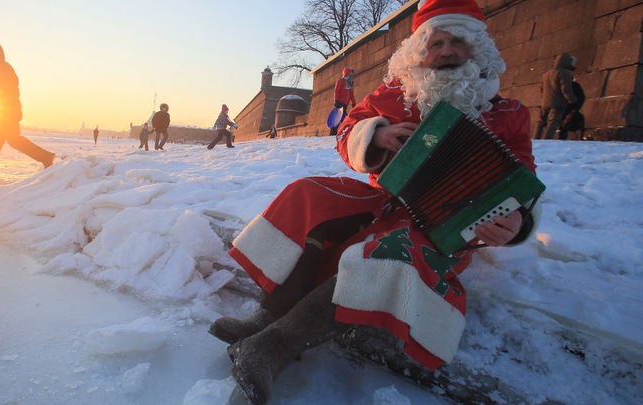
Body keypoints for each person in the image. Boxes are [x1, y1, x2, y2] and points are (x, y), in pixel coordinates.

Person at [208, 0, 541, 403]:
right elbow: (347, 130)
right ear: (420, 49)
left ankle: (274, 345)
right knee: (308, 194)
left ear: (477, 49)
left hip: (443, 225)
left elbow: (521, 176)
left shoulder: (508, 114)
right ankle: (270, 312)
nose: (447, 51)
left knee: (393, 252)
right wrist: (377, 134)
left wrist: (517, 222)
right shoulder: (396, 94)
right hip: (384, 198)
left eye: (458, 41)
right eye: (436, 43)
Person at [0, 42, 55, 182]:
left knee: (8, 141)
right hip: (2, 113)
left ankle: (46, 157)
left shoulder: (3, 70)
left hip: (6, 114)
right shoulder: (1, 69)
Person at [533, 53, 578, 140]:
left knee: (541, 121)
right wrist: (572, 100)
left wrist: (543, 100)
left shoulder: (546, 74)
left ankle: (535, 138)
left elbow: (542, 89)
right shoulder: (565, 74)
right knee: (553, 122)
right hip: (558, 103)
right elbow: (565, 89)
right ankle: (547, 139)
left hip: (545, 102)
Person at [330, 67, 357, 135]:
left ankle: (335, 133)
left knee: (340, 118)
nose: (351, 74)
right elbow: (337, 91)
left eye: (352, 73)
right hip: (339, 103)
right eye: (350, 73)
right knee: (343, 119)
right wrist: (336, 100)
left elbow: (351, 94)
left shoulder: (350, 83)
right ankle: (337, 133)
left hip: (345, 104)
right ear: (347, 73)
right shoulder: (340, 81)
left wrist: (353, 103)